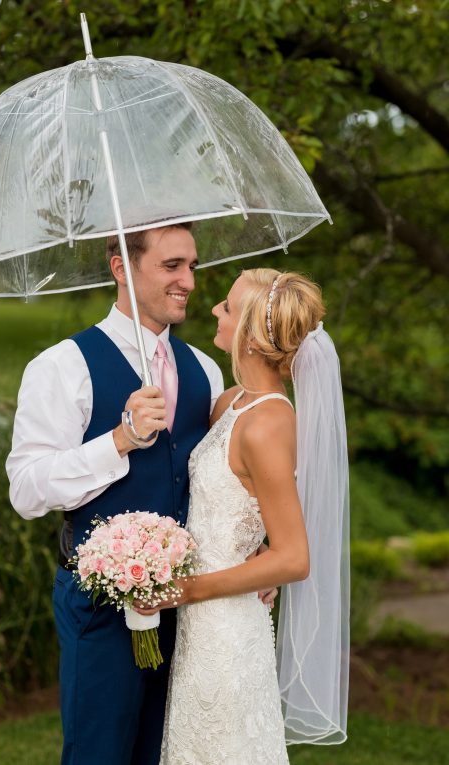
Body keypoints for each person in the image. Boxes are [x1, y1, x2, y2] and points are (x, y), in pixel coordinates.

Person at [7, 223, 228, 765]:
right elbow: (27, 489)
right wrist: (119, 441)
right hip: (100, 607)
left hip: (189, 607)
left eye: (192, 267)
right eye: (172, 266)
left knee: (168, 752)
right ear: (121, 268)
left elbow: (221, 483)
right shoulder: (63, 366)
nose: (189, 282)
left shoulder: (205, 370)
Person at [140, 269, 349, 764]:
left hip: (228, 629)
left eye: (228, 307)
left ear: (253, 336)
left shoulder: (269, 424)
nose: (214, 309)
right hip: (199, 625)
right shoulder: (230, 404)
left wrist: (187, 589)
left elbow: (295, 558)